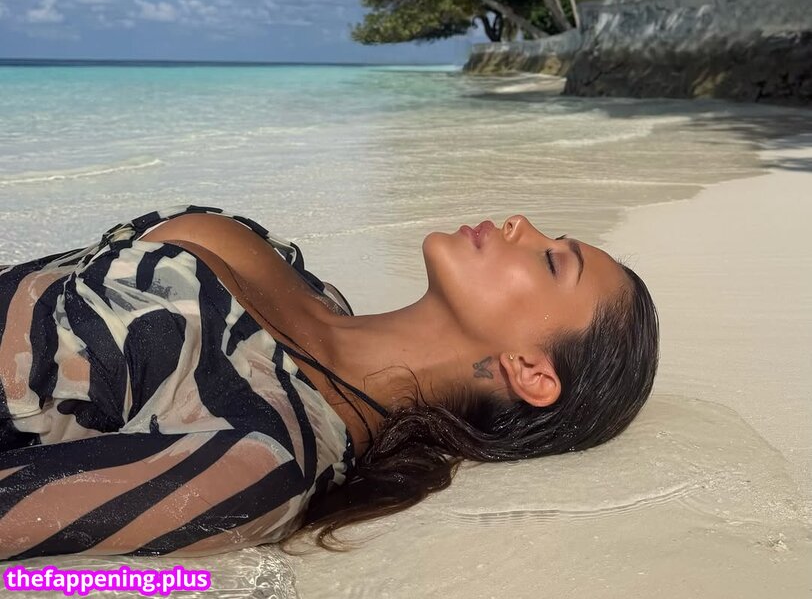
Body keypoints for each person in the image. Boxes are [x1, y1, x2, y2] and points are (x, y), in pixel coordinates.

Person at [0, 204, 659, 560]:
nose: (520, 222)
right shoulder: (316, 291)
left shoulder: (266, 456)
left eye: (552, 261)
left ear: (530, 372)